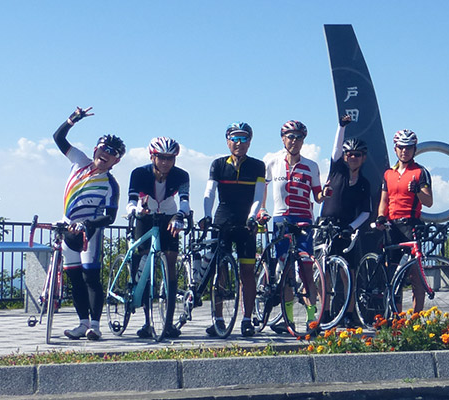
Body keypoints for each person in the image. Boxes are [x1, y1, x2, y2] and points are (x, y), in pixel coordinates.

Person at [53, 107, 123, 341]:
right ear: (96, 149)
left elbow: (110, 217)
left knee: (90, 278)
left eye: (112, 153)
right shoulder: (79, 161)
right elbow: (58, 138)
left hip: (88, 234)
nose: (106, 153)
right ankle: (82, 323)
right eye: (103, 148)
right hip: (66, 229)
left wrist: (87, 223)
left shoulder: (110, 184)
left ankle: (95, 325)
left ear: (116, 160)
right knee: (74, 278)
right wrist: (73, 119)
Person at [203, 122, 267, 337]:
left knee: (247, 272)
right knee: (219, 271)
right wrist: (206, 215)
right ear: (228, 140)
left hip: (245, 221)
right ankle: (218, 319)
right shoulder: (218, 164)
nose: (239, 143)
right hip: (223, 220)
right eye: (235, 138)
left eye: (244, 139)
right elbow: (210, 191)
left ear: (250, 141)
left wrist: (252, 217)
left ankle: (247, 320)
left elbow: (258, 196)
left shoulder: (258, 166)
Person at [264, 120, 325, 333]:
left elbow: (317, 195)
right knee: (286, 270)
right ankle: (287, 318)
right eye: (290, 136)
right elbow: (263, 186)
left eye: (299, 137)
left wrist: (323, 194)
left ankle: (311, 317)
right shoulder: (272, 162)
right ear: (283, 139)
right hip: (281, 218)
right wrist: (262, 209)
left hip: (303, 219)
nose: (294, 141)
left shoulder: (311, 165)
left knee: (307, 267)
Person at [127, 137, 190, 339]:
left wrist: (181, 216)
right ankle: (147, 322)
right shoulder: (139, 173)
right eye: (161, 158)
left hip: (169, 215)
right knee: (145, 265)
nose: (165, 162)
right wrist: (136, 209)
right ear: (152, 157)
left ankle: (169, 323)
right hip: (145, 215)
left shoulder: (181, 175)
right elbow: (130, 200)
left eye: (170, 158)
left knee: (170, 264)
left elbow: (185, 201)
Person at [319, 114, 371, 326]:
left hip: (346, 229)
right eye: (349, 154)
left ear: (364, 158)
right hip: (326, 225)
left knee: (348, 272)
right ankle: (325, 312)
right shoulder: (337, 170)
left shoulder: (364, 183)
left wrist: (351, 227)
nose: (352, 158)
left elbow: (366, 212)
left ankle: (349, 314)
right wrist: (341, 127)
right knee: (323, 273)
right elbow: (335, 150)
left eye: (357, 155)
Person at [376, 129, 433, 313]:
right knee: (394, 275)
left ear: (414, 149)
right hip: (392, 227)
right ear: (395, 149)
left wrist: (417, 190)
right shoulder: (388, 174)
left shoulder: (420, 172)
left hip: (411, 224)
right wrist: (380, 217)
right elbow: (384, 200)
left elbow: (429, 202)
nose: (405, 151)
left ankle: (416, 317)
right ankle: (397, 318)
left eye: (409, 148)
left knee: (416, 274)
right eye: (401, 147)